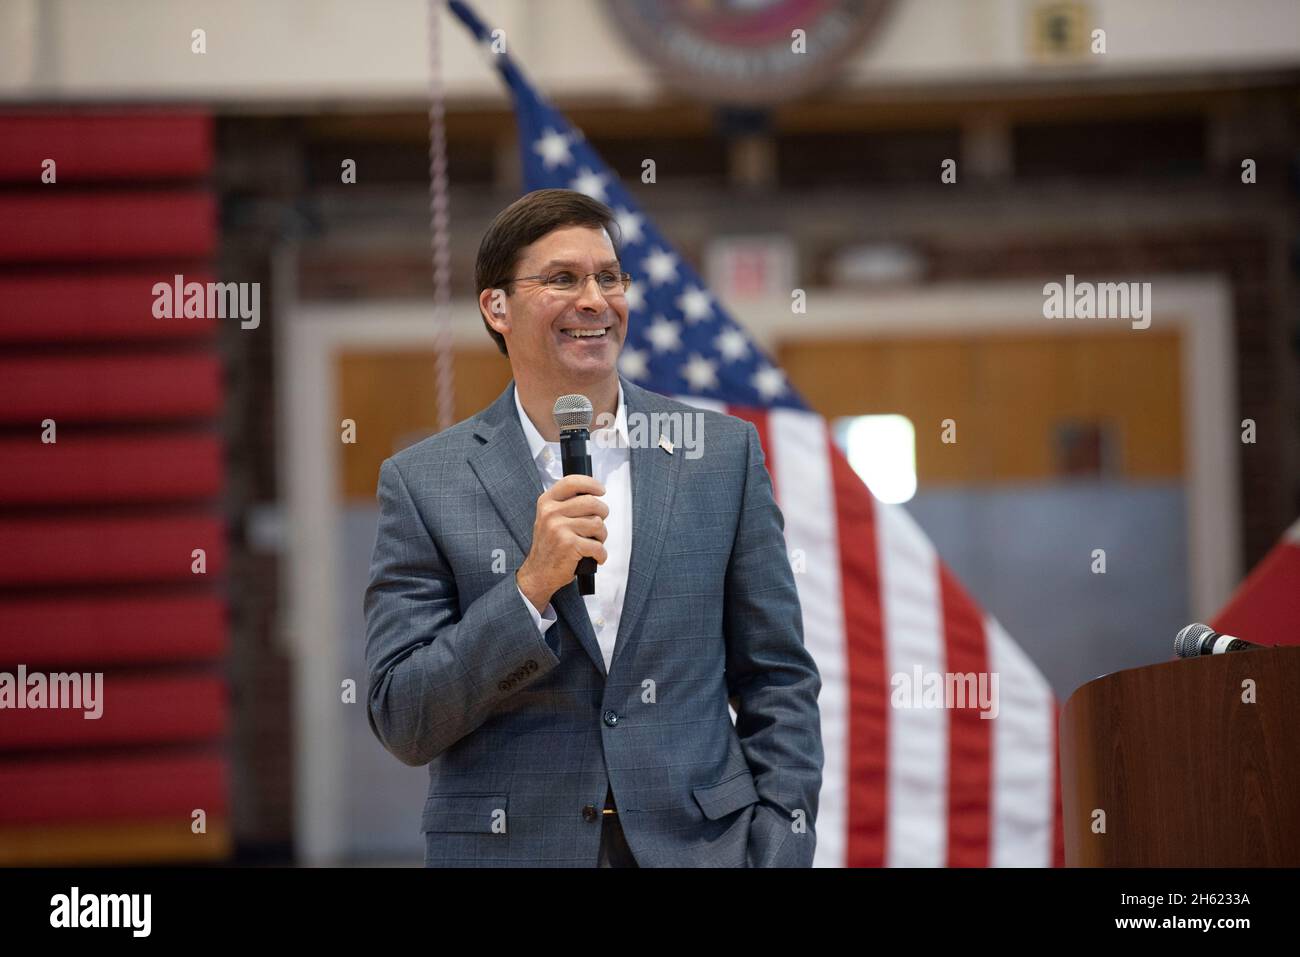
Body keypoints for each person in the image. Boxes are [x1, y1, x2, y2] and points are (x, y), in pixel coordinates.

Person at [363, 187, 822, 867]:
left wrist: (779, 845)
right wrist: (528, 591)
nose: (594, 299)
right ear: (497, 306)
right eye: (562, 278)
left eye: (609, 277)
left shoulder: (720, 456)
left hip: (702, 849)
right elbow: (404, 716)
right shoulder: (424, 482)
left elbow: (777, 677)